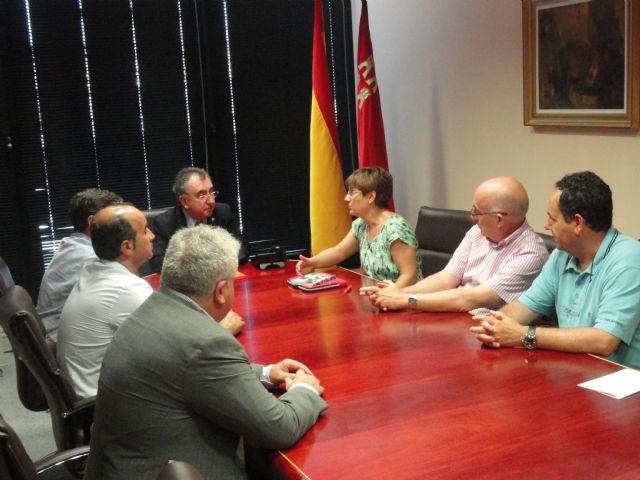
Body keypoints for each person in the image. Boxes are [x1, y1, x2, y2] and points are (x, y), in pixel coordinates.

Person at [84, 225, 328, 480]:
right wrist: (304, 390)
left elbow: (186, 372)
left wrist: (266, 373)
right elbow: (279, 428)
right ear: (221, 291)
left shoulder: (152, 309)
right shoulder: (205, 342)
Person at [471, 172, 640, 369]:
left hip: (619, 379)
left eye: (552, 219)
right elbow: (526, 306)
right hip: (574, 369)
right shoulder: (563, 254)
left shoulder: (629, 259)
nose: (546, 225)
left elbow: (604, 340)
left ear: (577, 223)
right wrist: (495, 325)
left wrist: (524, 335)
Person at [361, 177, 548, 313]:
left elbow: (471, 299)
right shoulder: (477, 232)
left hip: (484, 330)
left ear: (499, 219)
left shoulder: (530, 254)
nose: (472, 216)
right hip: (453, 315)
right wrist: (397, 292)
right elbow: (445, 278)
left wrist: (405, 300)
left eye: (477, 211)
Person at [56, 204, 155, 398]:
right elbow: (176, 344)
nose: (152, 235)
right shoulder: (126, 289)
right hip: (103, 402)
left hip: (87, 390)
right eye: (145, 231)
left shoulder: (93, 267)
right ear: (127, 247)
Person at [296, 167, 421, 288]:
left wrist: (389, 296)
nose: (346, 198)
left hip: (403, 298)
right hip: (375, 295)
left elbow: (409, 276)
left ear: (371, 197)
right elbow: (338, 252)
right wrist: (312, 262)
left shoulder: (396, 229)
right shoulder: (361, 224)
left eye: (352, 193)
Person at [36, 188, 123, 341]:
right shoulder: (90, 257)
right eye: (116, 217)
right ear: (92, 221)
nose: (122, 224)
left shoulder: (73, 244)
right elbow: (121, 300)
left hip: (56, 329)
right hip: (62, 337)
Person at [149, 167, 248, 273]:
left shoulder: (223, 212)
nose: (211, 201)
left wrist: (215, 264)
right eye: (201, 195)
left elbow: (242, 249)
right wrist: (204, 265)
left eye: (211, 192)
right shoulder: (165, 223)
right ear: (184, 201)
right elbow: (158, 263)